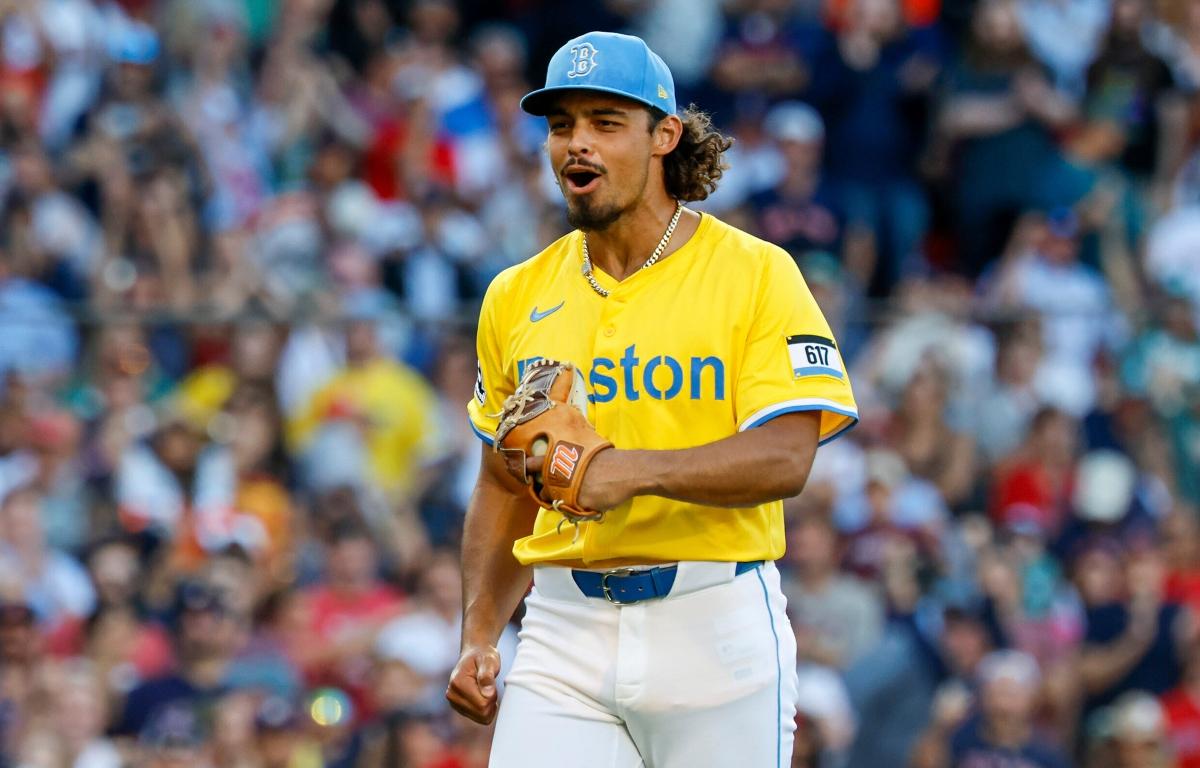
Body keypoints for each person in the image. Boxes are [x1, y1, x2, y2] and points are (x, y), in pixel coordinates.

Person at [445, 31, 858, 768]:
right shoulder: (516, 294)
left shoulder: (755, 273)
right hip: (562, 624)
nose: (579, 144)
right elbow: (501, 483)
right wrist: (479, 634)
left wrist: (628, 472)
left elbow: (787, 456)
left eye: (606, 122)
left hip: (714, 619)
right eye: (562, 124)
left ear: (665, 134)